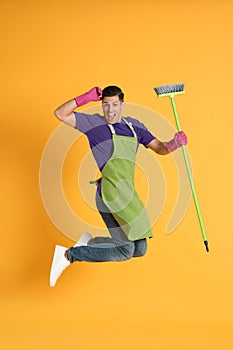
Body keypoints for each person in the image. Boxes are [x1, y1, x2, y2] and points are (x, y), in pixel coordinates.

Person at [50, 86, 187, 287]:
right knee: (125, 251)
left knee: (140, 249)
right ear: (102, 105)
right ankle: (69, 255)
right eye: (105, 105)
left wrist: (173, 144)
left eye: (115, 105)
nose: (110, 110)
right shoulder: (94, 124)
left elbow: (159, 147)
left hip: (128, 194)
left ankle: (89, 243)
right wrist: (85, 98)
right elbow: (60, 114)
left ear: (122, 105)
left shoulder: (135, 126)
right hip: (109, 194)